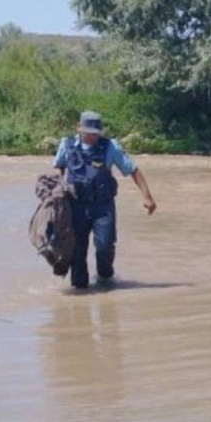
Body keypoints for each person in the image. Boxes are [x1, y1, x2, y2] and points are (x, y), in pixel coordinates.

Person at [53, 111, 157, 289]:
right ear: (79, 128)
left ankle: (105, 278)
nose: (93, 137)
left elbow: (133, 170)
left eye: (96, 133)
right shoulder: (66, 144)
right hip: (76, 206)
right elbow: (59, 168)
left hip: (103, 207)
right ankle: (80, 293)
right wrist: (58, 187)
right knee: (77, 252)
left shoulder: (110, 147)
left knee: (105, 246)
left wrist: (147, 197)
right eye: (89, 132)